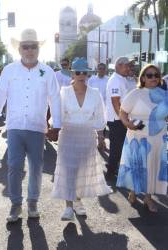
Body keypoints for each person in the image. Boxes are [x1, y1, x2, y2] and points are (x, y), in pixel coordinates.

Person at [0, 28, 61, 222]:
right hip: (15, 127)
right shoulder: (9, 70)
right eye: (25, 47)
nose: (29, 50)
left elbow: (54, 99)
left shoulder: (47, 72)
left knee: (36, 166)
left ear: (38, 48)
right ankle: (15, 205)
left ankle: (33, 202)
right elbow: (0, 96)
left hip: (37, 127)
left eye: (33, 46)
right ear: (19, 49)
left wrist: (57, 125)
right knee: (13, 166)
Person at [52, 58, 112, 220]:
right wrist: (54, 129)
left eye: (84, 72)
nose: (81, 75)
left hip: (87, 136)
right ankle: (68, 207)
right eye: (78, 72)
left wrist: (100, 136)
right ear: (72, 73)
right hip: (68, 135)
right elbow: (57, 115)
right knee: (68, 171)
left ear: (88, 74)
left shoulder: (95, 93)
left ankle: (78, 202)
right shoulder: (63, 92)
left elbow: (100, 117)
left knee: (81, 172)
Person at [117, 64, 168, 213]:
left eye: (156, 75)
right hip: (137, 136)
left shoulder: (165, 95)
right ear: (143, 78)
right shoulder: (135, 94)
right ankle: (133, 190)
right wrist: (128, 124)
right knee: (137, 165)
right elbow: (123, 112)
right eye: (150, 75)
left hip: (158, 137)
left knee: (152, 167)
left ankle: (148, 197)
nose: (153, 78)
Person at [105, 57, 130, 179]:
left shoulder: (121, 79)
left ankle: (112, 168)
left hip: (120, 119)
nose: (129, 68)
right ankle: (110, 172)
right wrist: (124, 120)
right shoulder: (115, 80)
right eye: (127, 66)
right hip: (117, 119)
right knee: (117, 146)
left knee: (118, 146)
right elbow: (116, 103)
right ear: (119, 65)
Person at [88, 63, 109, 150]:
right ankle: (100, 140)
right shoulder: (92, 80)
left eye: (103, 69)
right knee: (94, 124)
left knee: (103, 124)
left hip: (105, 106)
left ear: (105, 70)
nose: (101, 70)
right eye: (99, 68)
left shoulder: (108, 80)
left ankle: (101, 141)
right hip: (94, 106)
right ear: (97, 69)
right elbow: (88, 92)